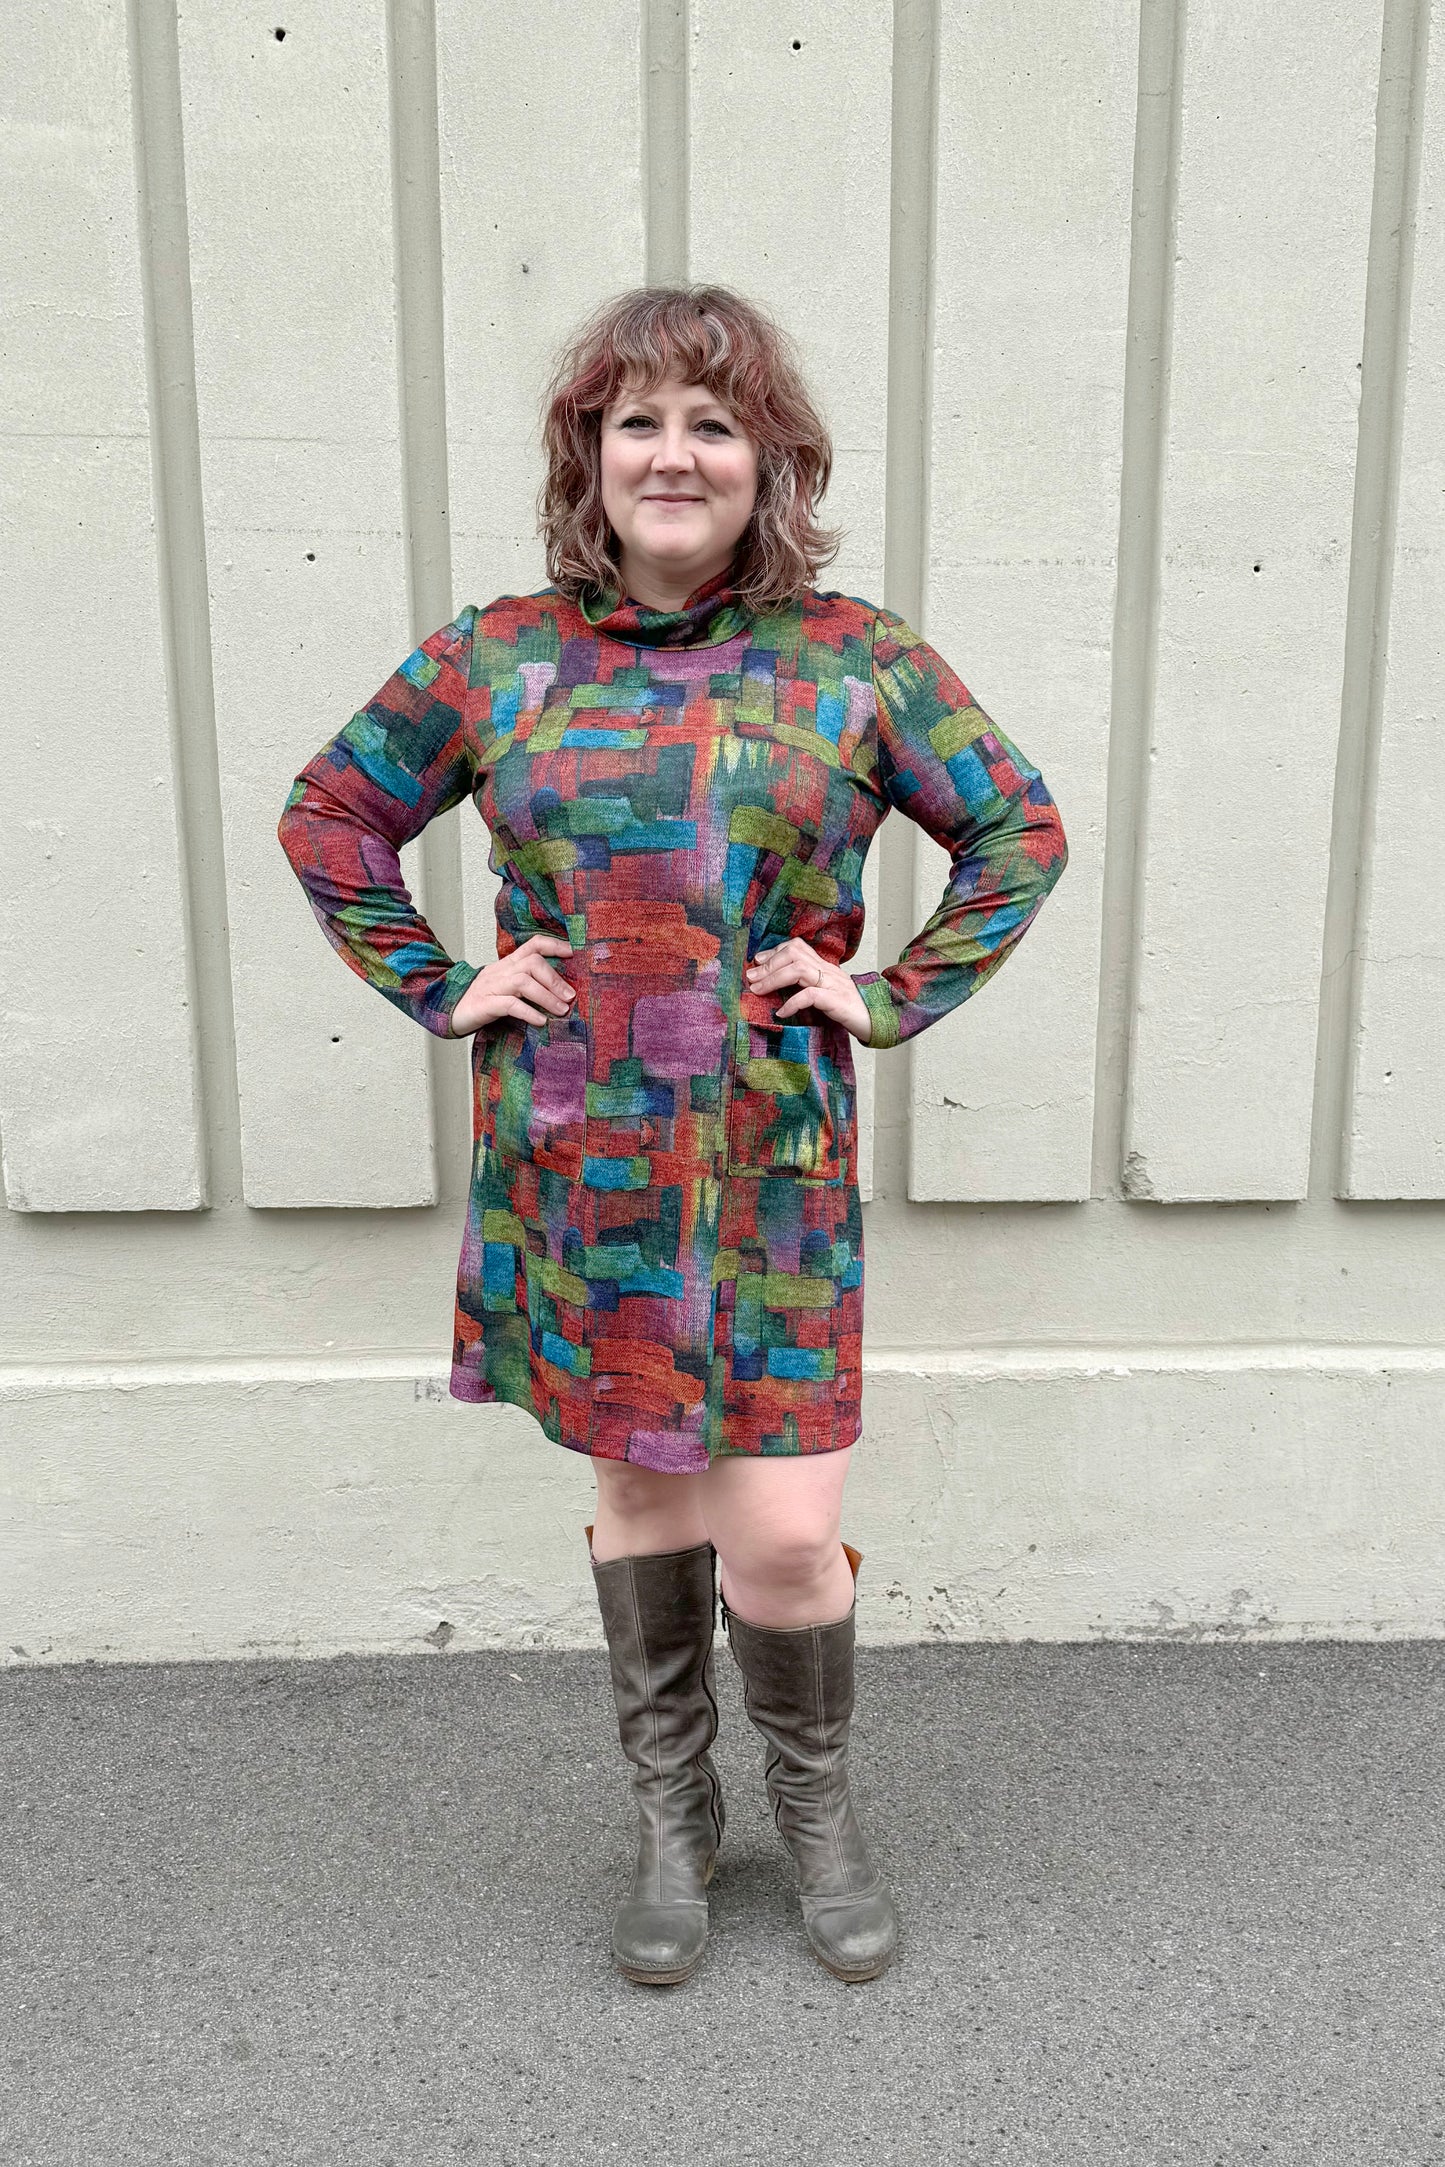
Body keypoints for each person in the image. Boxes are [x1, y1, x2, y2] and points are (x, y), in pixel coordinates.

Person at [277, 283, 1068, 1990]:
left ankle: (816, 1807)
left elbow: (1015, 826)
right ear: (590, 453)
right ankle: (672, 1818)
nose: (673, 452)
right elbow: (333, 811)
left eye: (711, 423)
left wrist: (887, 992)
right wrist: (443, 979)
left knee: (779, 1533)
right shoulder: (497, 656)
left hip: (769, 1165)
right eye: (638, 420)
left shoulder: (852, 659)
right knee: (645, 1505)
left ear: (765, 460)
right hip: (586, 1156)